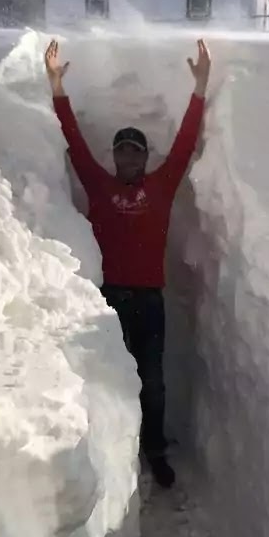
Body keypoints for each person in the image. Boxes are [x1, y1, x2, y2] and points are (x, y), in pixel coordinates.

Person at [45, 38, 211, 488]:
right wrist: (58, 88)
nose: (129, 157)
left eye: (136, 151)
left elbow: (183, 145)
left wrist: (200, 88)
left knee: (152, 382)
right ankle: (110, 450)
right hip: (109, 300)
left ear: (144, 158)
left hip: (150, 302)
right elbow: (75, 144)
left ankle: (154, 450)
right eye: (122, 150)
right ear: (115, 156)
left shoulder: (161, 186)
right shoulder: (100, 187)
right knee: (108, 379)